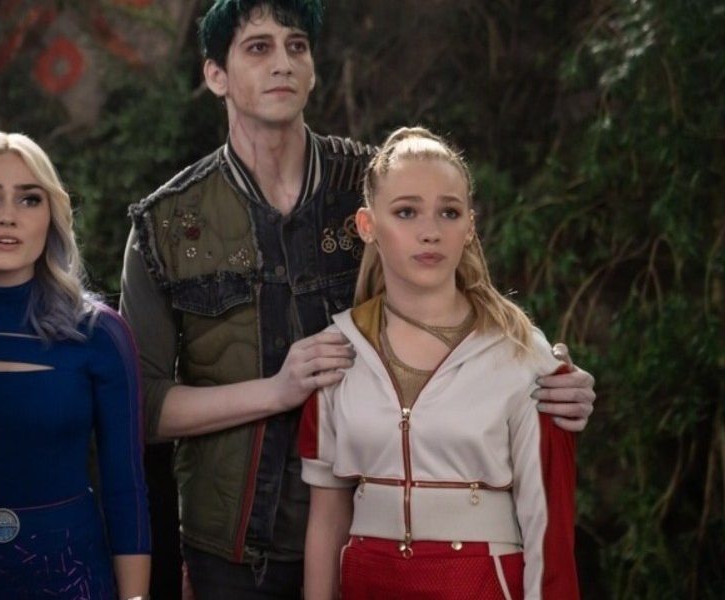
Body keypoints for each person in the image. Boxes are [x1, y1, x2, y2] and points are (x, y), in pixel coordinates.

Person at [117, 1, 596, 597]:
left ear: (314, 68)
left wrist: (545, 376)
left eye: (296, 46)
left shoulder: (384, 183)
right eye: (259, 48)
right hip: (233, 549)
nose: (282, 63)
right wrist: (277, 391)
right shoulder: (166, 224)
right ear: (215, 75)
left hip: (371, 542)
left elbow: (464, 302)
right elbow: (138, 406)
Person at [299, 126, 579, 599]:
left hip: (480, 586)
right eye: (406, 212)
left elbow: (548, 529)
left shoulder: (522, 355)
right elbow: (326, 521)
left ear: (469, 226)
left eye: (449, 212)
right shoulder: (336, 351)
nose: (430, 232)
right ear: (367, 225)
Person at [0, 131, 151, 599]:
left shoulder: (100, 334)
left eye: (29, 199)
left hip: (72, 580)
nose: (8, 216)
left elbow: (125, 489)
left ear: (52, 215)